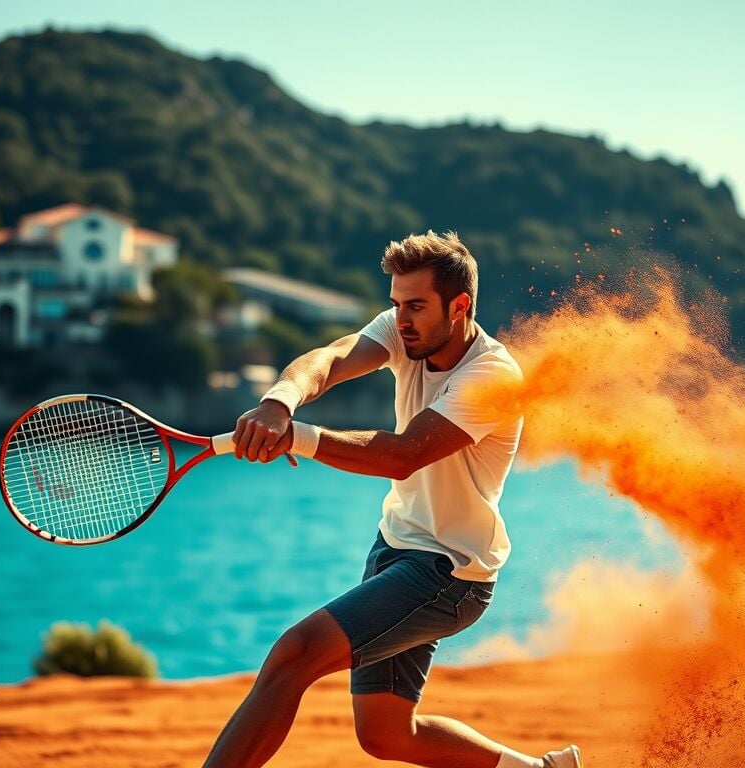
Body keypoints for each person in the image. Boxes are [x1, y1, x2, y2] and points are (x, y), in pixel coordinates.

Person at [204, 232, 582, 768]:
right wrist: (279, 400)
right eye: (397, 304)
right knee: (385, 734)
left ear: (460, 307)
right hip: (394, 549)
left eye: (417, 307)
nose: (402, 319)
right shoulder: (405, 332)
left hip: (448, 573)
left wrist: (297, 437)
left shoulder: (492, 376)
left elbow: (404, 454)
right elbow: (332, 359)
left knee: (293, 655)